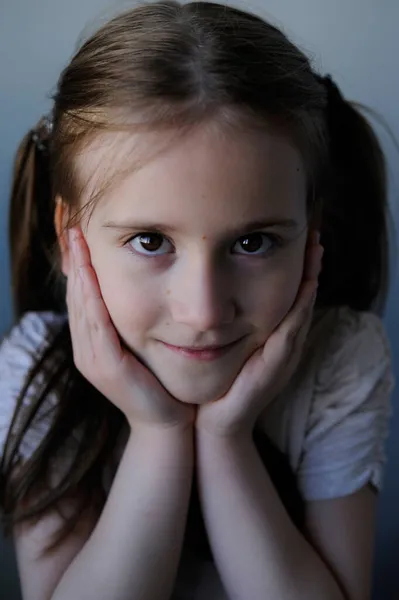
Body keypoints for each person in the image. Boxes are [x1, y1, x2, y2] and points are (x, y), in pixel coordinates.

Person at [0, 2, 394, 599]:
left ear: (312, 228)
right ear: (69, 236)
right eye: (150, 241)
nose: (205, 312)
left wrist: (224, 438)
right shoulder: (39, 371)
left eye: (253, 242)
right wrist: (157, 433)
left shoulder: (338, 359)